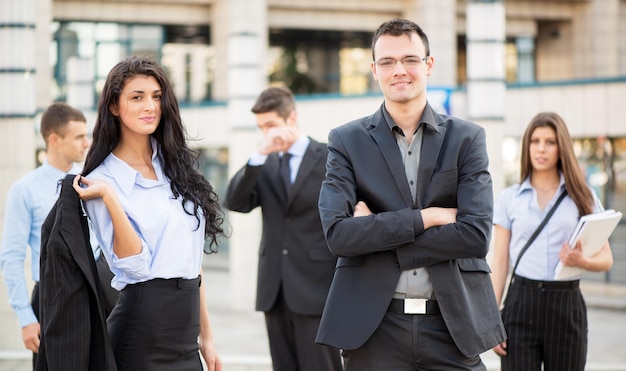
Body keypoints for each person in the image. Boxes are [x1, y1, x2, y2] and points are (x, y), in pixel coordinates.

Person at [315, 18, 505, 370]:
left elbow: (476, 236)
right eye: (387, 62)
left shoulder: (467, 139)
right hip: (374, 328)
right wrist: (428, 218)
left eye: (410, 59)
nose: (398, 70)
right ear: (374, 70)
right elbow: (339, 235)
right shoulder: (346, 141)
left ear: (428, 65)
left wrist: (375, 233)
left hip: (451, 326)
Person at [72, 55, 224, 371]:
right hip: (141, 332)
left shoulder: (176, 170)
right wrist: (111, 199)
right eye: (137, 97)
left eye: (156, 97)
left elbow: (192, 262)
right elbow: (136, 269)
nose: (150, 106)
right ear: (114, 106)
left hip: (186, 336)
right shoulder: (102, 181)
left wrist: (207, 337)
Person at [224, 86, 342, 371]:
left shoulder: (329, 157)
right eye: (261, 127)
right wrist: (259, 154)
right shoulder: (264, 162)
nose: (266, 133)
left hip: (316, 289)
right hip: (274, 289)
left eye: (271, 125)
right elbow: (235, 201)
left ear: (292, 118)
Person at [490, 112, 614, 371]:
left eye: (550, 142)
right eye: (535, 141)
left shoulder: (583, 196)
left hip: (565, 304)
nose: (541, 149)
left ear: (562, 148)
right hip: (521, 303)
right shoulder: (510, 198)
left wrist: (582, 261)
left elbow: (606, 258)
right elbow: (500, 261)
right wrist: (490, 320)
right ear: (527, 146)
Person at [0, 102, 117, 368]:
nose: (86, 143)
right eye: (79, 137)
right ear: (54, 140)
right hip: (51, 299)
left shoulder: (93, 183)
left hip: (97, 293)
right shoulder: (24, 190)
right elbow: (11, 257)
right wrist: (26, 318)